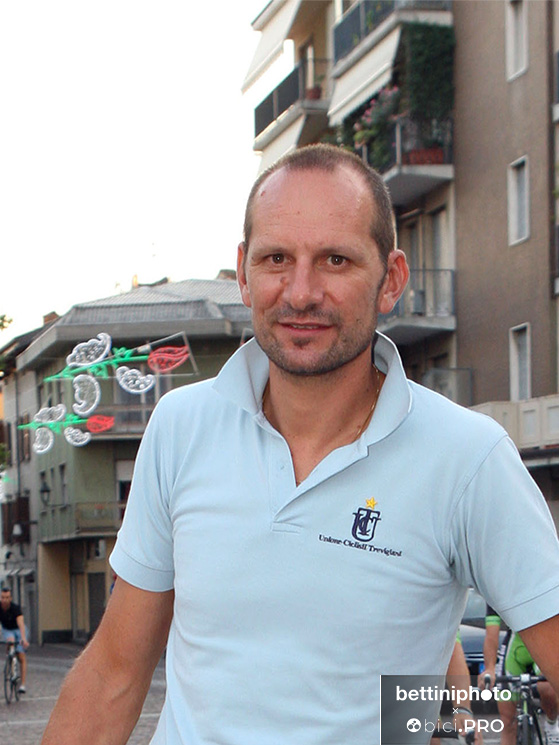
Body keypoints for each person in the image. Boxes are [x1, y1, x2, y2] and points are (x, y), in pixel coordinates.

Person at [42, 144, 559, 745]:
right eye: (276, 259)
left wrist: (442, 723)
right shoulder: (181, 426)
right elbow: (114, 674)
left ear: (391, 280)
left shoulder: (468, 458)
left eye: (336, 260)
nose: (301, 292)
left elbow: (418, 694)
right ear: (243, 272)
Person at [478, 606, 559, 745]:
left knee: (549, 689)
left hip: (543, 644)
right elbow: (491, 634)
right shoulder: (499, 594)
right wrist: (490, 668)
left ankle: (551, 725)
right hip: (514, 650)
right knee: (507, 720)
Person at [0, 587, 29, 693]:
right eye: (3, 597)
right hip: (7, 630)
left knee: (21, 656)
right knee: (10, 640)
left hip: (18, 630)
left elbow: (21, 624)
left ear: (10, 598)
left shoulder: (15, 608)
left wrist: (23, 639)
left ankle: (23, 684)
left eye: (7, 597)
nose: (5, 600)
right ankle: (10, 658)